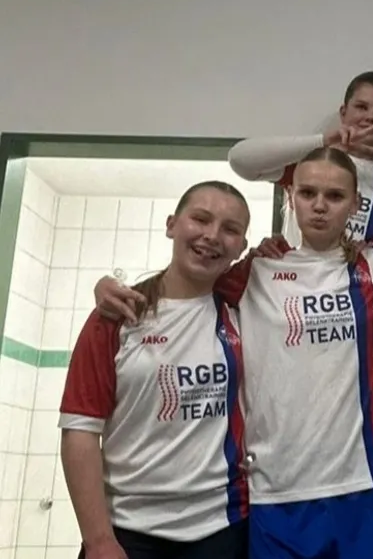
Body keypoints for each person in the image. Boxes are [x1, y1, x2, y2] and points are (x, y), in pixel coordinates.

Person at [95, 147, 373, 559]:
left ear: (355, 204)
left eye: (334, 196)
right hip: (274, 494)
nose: (320, 206)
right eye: (308, 193)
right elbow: (180, 288)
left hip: (367, 488)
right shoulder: (253, 272)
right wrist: (110, 289)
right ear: (291, 198)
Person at [60, 181, 251, 559]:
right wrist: (98, 540)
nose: (212, 236)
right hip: (127, 529)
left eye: (230, 229)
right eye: (201, 219)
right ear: (171, 225)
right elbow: (80, 431)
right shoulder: (117, 316)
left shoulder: (244, 306)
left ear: (241, 247)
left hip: (222, 526)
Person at [227, 70, 373, 245]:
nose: (370, 117)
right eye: (361, 107)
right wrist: (324, 140)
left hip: (367, 271)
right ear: (343, 112)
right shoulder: (309, 164)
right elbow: (239, 160)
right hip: (297, 268)